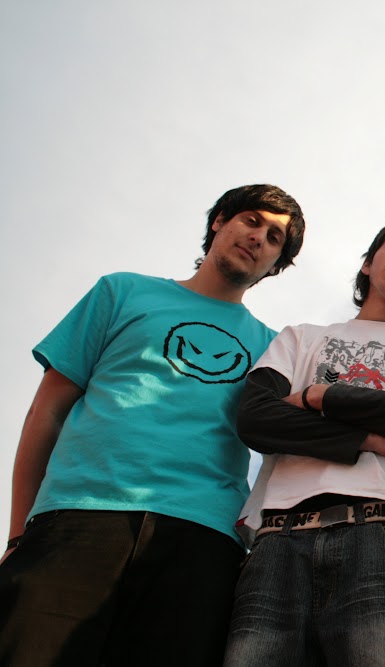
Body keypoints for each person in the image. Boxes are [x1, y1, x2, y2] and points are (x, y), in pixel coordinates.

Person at [0, 184, 306, 666]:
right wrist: (19, 533)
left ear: (275, 265)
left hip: (204, 541)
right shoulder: (121, 291)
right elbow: (47, 411)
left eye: (274, 239)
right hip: (78, 516)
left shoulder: (275, 349)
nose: (258, 238)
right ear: (219, 221)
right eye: (252, 221)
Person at [223, 211, 385, 667]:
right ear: (368, 263)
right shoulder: (300, 338)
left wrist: (319, 395)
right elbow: (257, 420)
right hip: (278, 537)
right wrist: (369, 439)